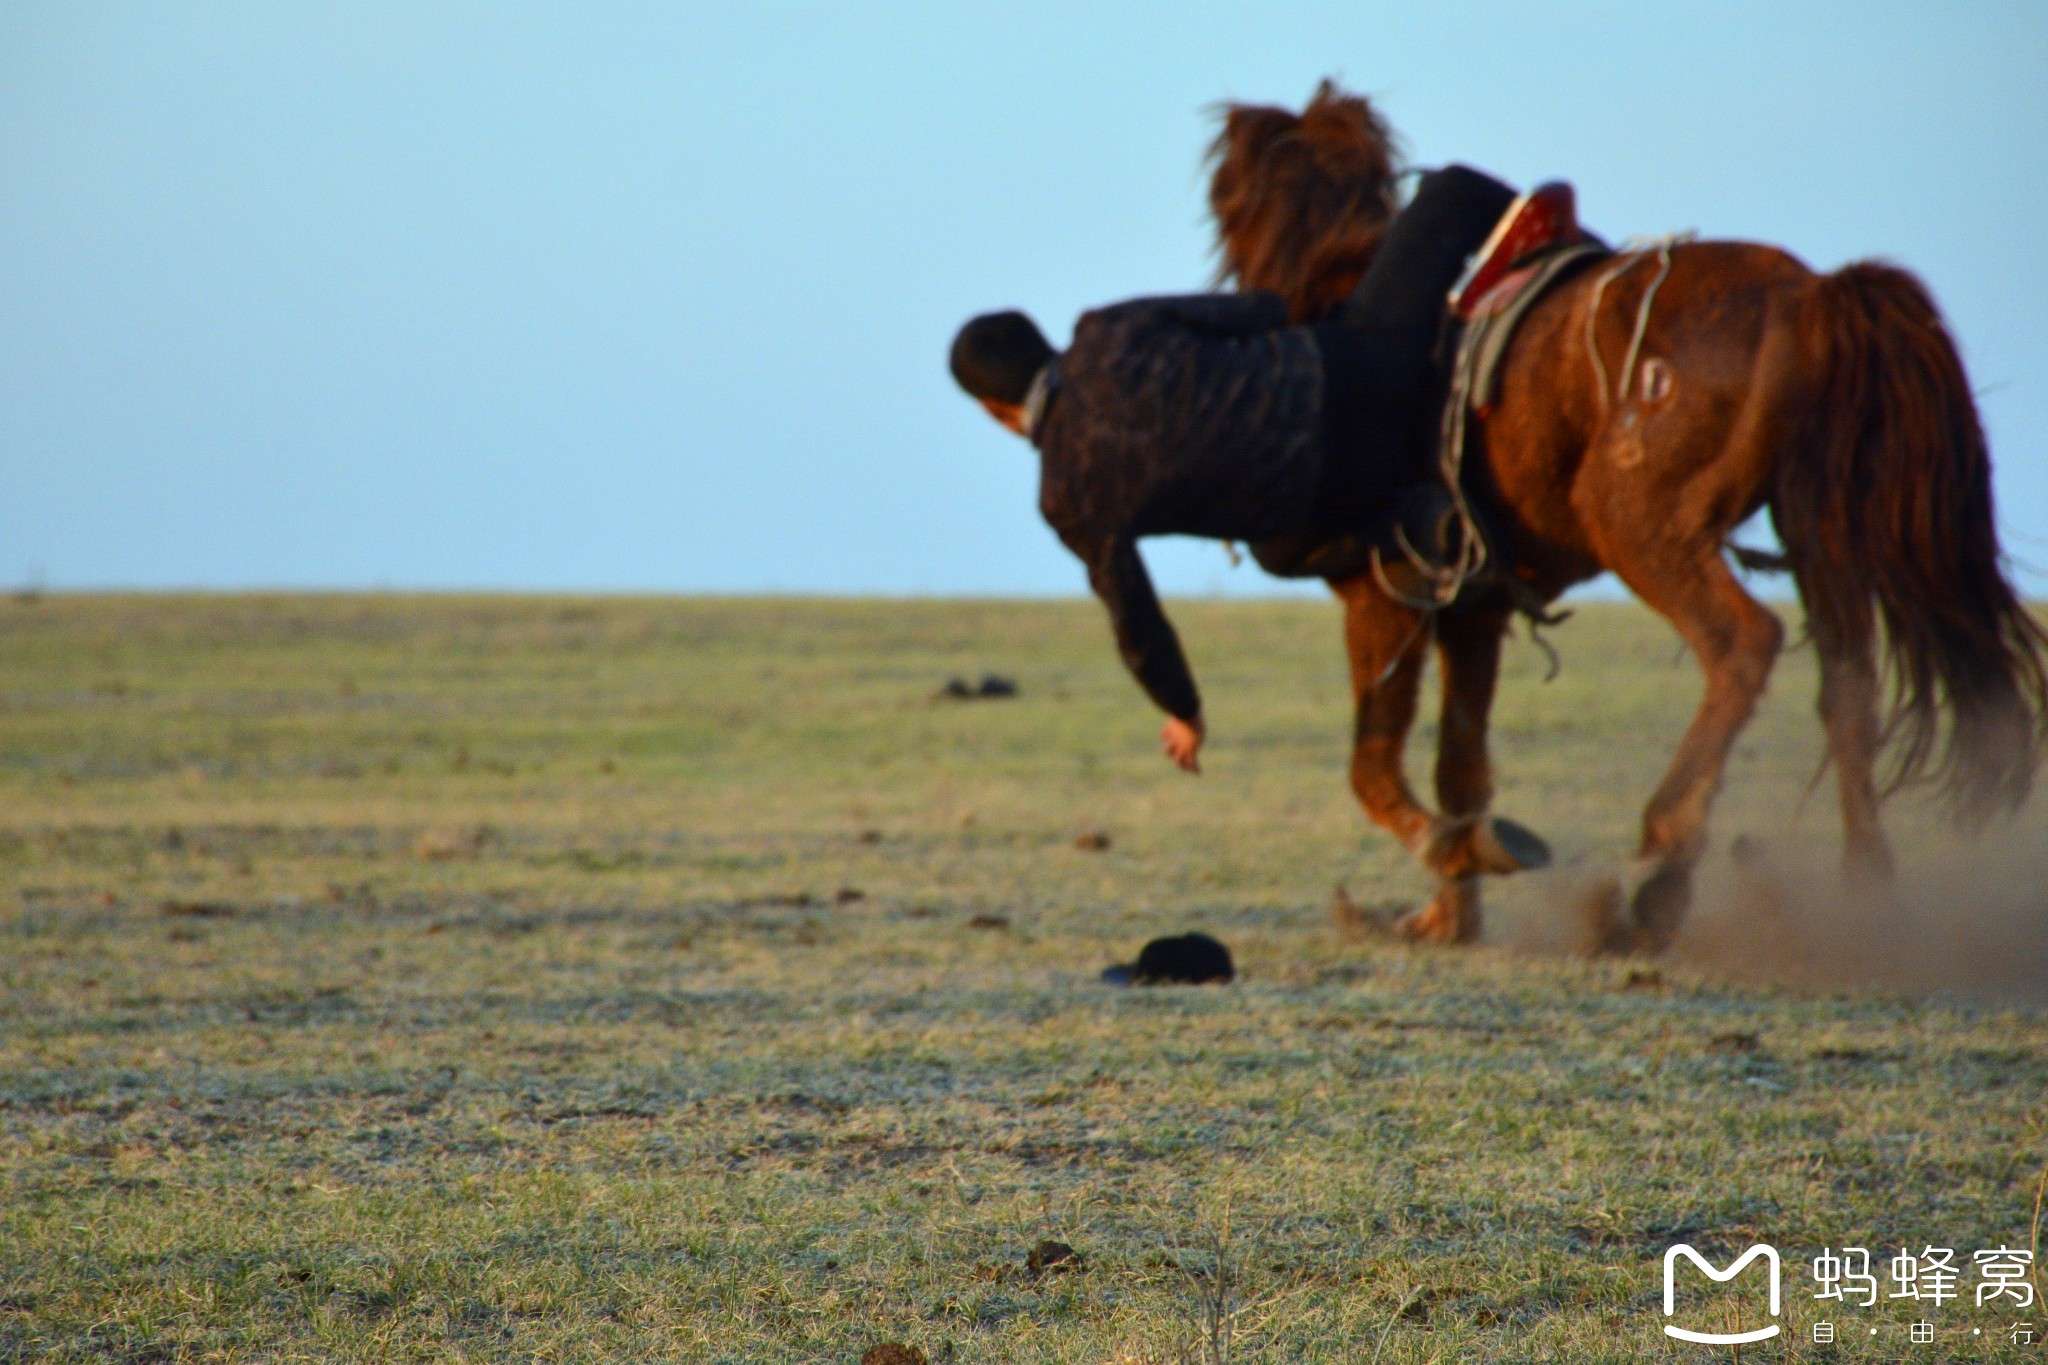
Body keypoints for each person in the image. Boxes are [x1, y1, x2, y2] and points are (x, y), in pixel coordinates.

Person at [949, 166, 1519, 773]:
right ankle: (1585, 266)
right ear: (1042, 342)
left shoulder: (1066, 496)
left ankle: (1412, 527)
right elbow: (1261, 309)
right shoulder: (1107, 329)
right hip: (1362, 375)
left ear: (992, 411)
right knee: (1455, 191)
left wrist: (1184, 708)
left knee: (1275, 552)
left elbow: (1135, 618)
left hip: (1335, 492)